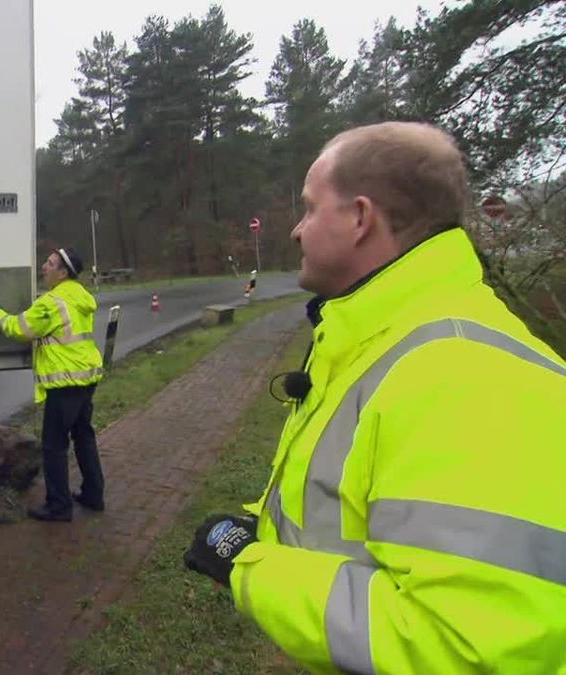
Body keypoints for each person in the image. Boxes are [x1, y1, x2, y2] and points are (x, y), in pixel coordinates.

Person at [183, 121, 566, 673]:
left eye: (311, 209)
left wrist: (251, 566)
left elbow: (460, 648)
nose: (296, 231)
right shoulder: (382, 339)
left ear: (360, 218)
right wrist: (260, 532)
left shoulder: (461, 372)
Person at [0, 247, 105, 522]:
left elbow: (17, 328)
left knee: (54, 446)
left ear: (63, 272)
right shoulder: (80, 296)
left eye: (50, 263)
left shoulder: (52, 303)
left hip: (64, 383)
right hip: (86, 379)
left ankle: (59, 506)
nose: (43, 266)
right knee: (84, 438)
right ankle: (94, 494)